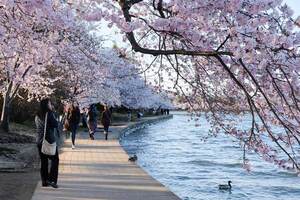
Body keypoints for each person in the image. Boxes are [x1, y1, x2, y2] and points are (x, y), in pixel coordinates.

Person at [35, 98, 59, 188]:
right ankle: (52, 180)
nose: (50, 105)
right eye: (49, 103)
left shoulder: (37, 115)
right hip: (49, 141)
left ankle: (44, 181)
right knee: (55, 159)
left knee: (43, 161)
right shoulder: (49, 114)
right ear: (46, 105)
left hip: (39, 140)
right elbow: (55, 124)